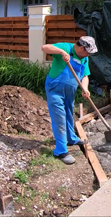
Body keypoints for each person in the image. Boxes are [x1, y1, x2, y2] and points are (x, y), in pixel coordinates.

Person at [41, 36, 98, 164]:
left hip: (69, 92)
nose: (88, 54)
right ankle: (60, 151)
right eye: (87, 51)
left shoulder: (84, 58)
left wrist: (85, 88)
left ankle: (71, 138)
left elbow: (85, 75)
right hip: (55, 90)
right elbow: (44, 48)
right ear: (82, 47)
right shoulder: (66, 47)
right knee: (59, 118)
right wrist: (61, 52)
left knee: (68, 114)